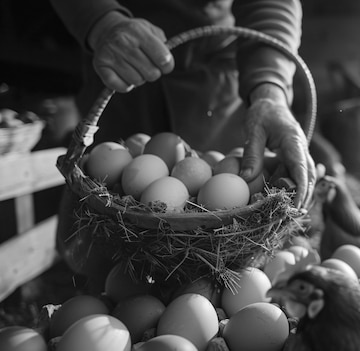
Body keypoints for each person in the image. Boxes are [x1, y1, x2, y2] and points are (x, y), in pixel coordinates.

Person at [50, 0, 315, 291]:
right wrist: (100, 20)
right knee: (103, 256)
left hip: (214, 80)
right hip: (118, 68)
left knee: (214, 258)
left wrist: (269, 90)